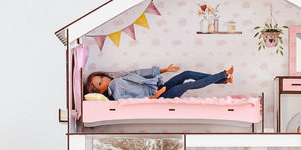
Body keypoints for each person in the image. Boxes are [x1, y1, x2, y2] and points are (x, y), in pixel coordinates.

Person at [85, 64, 233, 100]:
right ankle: (224, 74)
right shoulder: (117, 94)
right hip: (159, 97)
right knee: (187, 85)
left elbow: (140, 73)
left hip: (157, 87)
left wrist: (164, 70)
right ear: (102, 91)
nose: (103, 79)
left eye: (100, 77)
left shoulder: (118, 78)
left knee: (186, 74)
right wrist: (155, 97)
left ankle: (224, 80)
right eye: (100, 83)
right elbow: (135, 101)